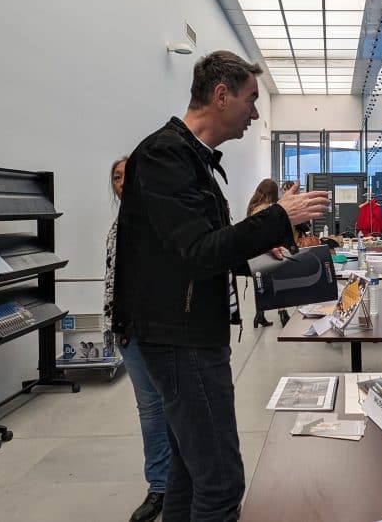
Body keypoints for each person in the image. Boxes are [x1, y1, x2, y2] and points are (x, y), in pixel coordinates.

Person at [112, 50, 329, 521]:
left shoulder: (190, 159)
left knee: (189, 474)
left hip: (190, 335)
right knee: (221, 483)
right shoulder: (166, 155)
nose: (254, 113)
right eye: (251, 101)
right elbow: (196, 252)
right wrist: (278, 218)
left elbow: (199, 251)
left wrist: (258, 251)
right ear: (221, 95)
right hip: (179, 341)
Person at [103, 156, 170, 522]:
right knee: (149, 413)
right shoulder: (116, 228)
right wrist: (113, 325)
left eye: (128, 175)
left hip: (161, 332)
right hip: (128, 333)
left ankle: (189, 486)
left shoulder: (158, 219)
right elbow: (112, 280)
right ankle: (158, 486)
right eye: (116, 177)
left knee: (178, 409)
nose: (122, 182)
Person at [245, 178, 285, 328]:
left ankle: (259, 315)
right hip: (267, 252)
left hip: (256, 254)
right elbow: (264, 235)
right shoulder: (265, 209)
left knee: (261, 285)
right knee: (278, 283)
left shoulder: (253, 207)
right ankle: (283, 314)